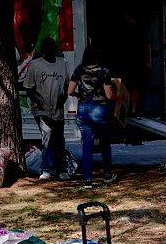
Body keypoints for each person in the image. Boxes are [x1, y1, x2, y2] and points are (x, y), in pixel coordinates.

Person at [68, 45, 117, 189]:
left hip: (82, 108)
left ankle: (88, 179)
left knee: (87, 146)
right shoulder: (104, 71)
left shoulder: (79, 69)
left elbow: (69, 91)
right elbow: (108, 95)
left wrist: (80, 96)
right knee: (104, 143)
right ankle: (107, 174)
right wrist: (116, 96)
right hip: (99, 108)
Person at [23, 37, 70, 180]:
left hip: (57, 109)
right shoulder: (35, 65)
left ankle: (61, 169)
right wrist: (38, 101)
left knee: (59, 139)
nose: (50, 50)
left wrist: (64, 98)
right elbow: (28, 88)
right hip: (41, 109)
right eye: (47, 47)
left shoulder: (62, 63)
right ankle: (47, 169)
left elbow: (67, 84)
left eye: (52, 47)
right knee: (47, 137)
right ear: (43, 50)